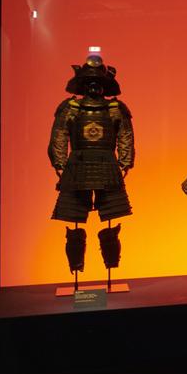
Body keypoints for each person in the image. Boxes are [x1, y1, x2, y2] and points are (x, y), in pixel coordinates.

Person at [48, 54, 134, 277]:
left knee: (110, 224)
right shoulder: (71, 107)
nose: (94, 86)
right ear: (82, 84)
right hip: (77, 167)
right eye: (90, 82)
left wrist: (125, 161)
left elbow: (125, 135)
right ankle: (76, 268)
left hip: (107, 167)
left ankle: (111, 266)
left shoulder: (115, 108)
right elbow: (60, 135)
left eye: (98, 82)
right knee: (75, 223)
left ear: (106, 85)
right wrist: (59, 162)